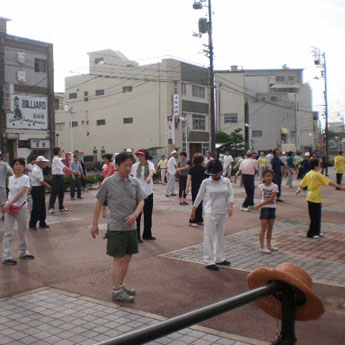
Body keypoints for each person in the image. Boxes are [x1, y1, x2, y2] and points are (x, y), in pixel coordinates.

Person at [91, 151, 145, 302]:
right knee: (118, 259)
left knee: (128, 257)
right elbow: (99, 202)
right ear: (117, 166)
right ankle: (116, 291)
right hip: (116, 227)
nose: (128, 169)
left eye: (130, 165)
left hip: (131, 227)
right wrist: (94, 224)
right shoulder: (108, 182)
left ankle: (120, 285)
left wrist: (134, 215)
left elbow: (141, 201)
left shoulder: (134, 182)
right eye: (125, 165)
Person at [190, 159, 233, 271]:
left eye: (216, 173)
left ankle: (219, 257)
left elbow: (231, 194)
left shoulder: (226, 181)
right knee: (209, 236)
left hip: (222, 211)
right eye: (212, 174)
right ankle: (208, 260)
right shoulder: (206, 182)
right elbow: (200, 195)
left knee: (220, 236)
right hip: (211, 212)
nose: (214, 175)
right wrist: (194, 209)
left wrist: (231, 206)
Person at [296, 159, 345, 239]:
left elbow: (303, 183)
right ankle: (311, 233)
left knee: (316, 215)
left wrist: (299, 189)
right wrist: (341, 187)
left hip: (311, 197)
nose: (320, 166)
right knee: (315, 216)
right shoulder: (317, 175)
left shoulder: (309, 173)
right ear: (316, 166)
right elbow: (329, 182)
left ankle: (317, 231)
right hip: (315, 198)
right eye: (319, 164)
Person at [2, 158, 33, 265]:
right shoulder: (10, 178)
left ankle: (23, 252)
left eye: (20, 165)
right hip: (9, 208)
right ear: (13, 166)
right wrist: (8, 204)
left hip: (21, 207)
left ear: (24, 167)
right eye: (16, 164)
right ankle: (6, 256)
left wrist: (8, 204)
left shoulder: (25, 178)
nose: (18, 167)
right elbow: (10, 193)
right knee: (8, 232)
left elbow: (20, 193)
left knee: (22, 231)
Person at [131, 149, 156, 243]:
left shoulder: (150, 164)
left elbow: (151, 171)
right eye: (139, 155)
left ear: (145, 156)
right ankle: (136, 236)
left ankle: (147, 234)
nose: (140, 157)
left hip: (148, 192)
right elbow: (127, 172)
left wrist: (149, 177)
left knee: (148, 214)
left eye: (142, 155)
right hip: (138, 193)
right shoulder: (135, 166)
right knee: (137, 215)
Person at [255, 169, 279, 254]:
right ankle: (262, 246)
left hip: (272, 207)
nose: (269, 178)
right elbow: (261, 195)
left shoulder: (275, 186)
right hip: (264, 209)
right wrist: (261, 205)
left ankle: (269, 244)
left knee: (270, 227)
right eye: (267, 176)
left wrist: (259, 205)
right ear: (263, 177)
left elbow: (272, 198)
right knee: (263, 227)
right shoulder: (261, 186)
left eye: (270, 176)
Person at [48, 147, 76, 214]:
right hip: (56, 177)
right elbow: (64, 167)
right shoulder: (56, 159)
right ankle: (51, 207)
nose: (61, 152)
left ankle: (61, 207)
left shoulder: (58, 159)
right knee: (54, 193)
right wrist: (72, 171)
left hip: (60, 177)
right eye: (60, 151)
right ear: (58, 152)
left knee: (61, 193)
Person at [29, 156, 51, 230]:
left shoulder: (39, 169)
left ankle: (42, 222)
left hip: (40, 189)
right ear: (39, 162)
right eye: (44, 162)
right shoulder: (36, 170)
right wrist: (49, 186)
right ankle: (32, 224)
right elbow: (41, 181)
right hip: (36, 189)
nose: (45, 163)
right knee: (36, 207)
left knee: (42, 207)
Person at [186, 153, 206, 227]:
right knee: (199, 203)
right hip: (202, 189)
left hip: (194, 188)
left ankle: (198, 219)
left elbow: (189, 178)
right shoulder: (204, 169)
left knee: (195, 203)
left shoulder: (192, 168)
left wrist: (187, 187)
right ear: (202, 161)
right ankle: (193, 220)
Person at [0, 152, 13, 220]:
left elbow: (11, 172)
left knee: (3, 201)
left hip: (1, 186)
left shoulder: (4, 164)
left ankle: (4, 215)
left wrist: (13, 179)